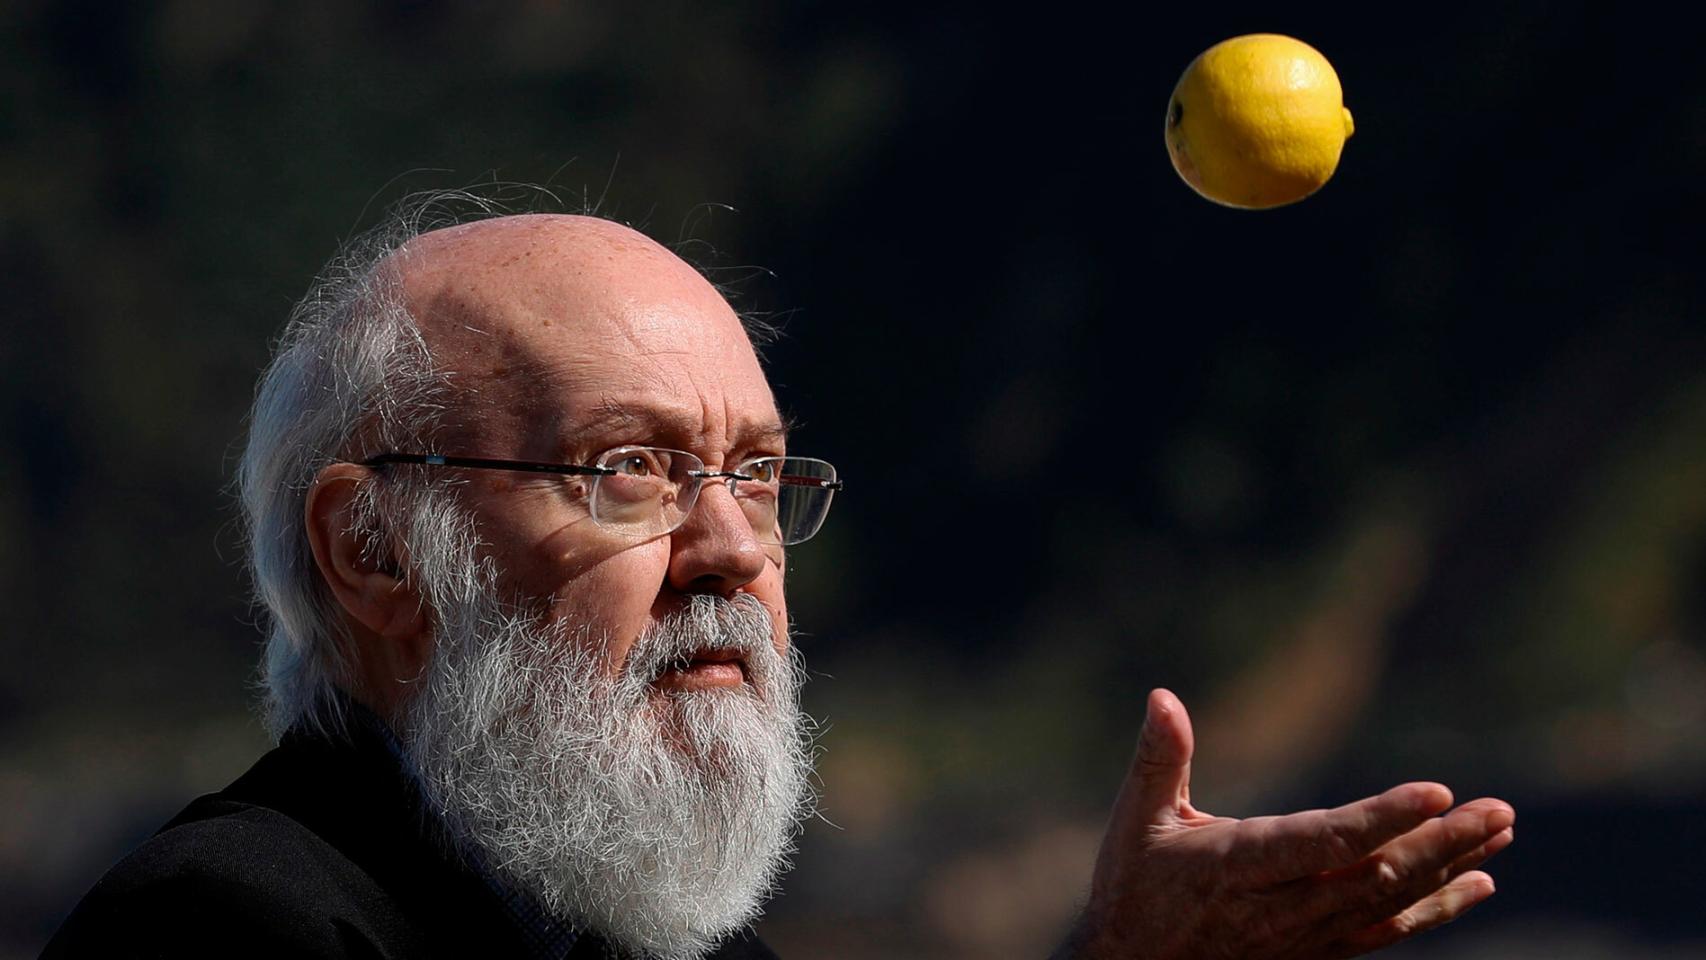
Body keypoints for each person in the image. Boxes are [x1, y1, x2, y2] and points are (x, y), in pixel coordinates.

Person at [45, 194, 1514, 960]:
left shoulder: (617, 932)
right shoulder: (234, 934)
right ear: (371, 551)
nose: (736, 549)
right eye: (627, 468)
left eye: (754, 472)